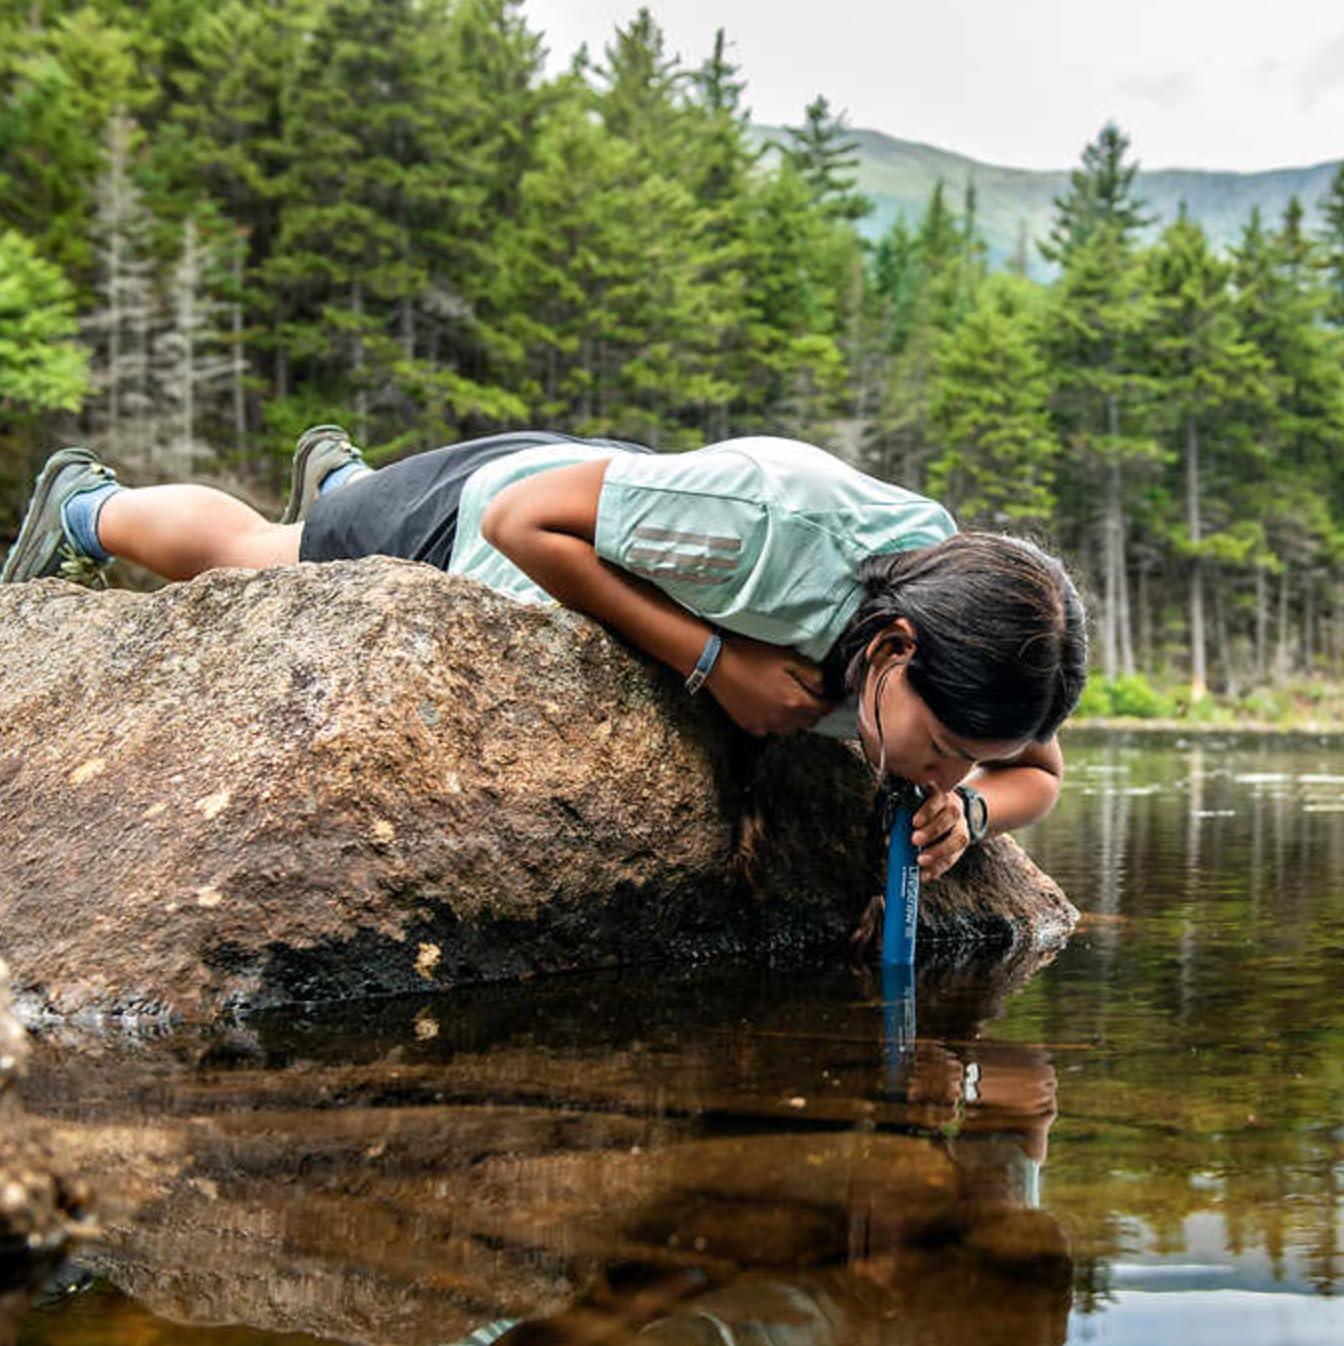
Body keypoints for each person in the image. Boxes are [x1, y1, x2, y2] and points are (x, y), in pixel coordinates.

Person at [1, 428, 1086, 879]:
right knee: (259, 558)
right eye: (939, 749)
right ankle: (87, 508)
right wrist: (717, 662)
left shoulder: (988, 638)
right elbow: (527, 521)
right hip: (486, 510)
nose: (941, 772)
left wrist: (974, 811)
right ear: (892, 645)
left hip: (621, 507)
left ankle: (342, 482)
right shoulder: (773, 524)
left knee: (317, 526)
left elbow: (1035, 770)